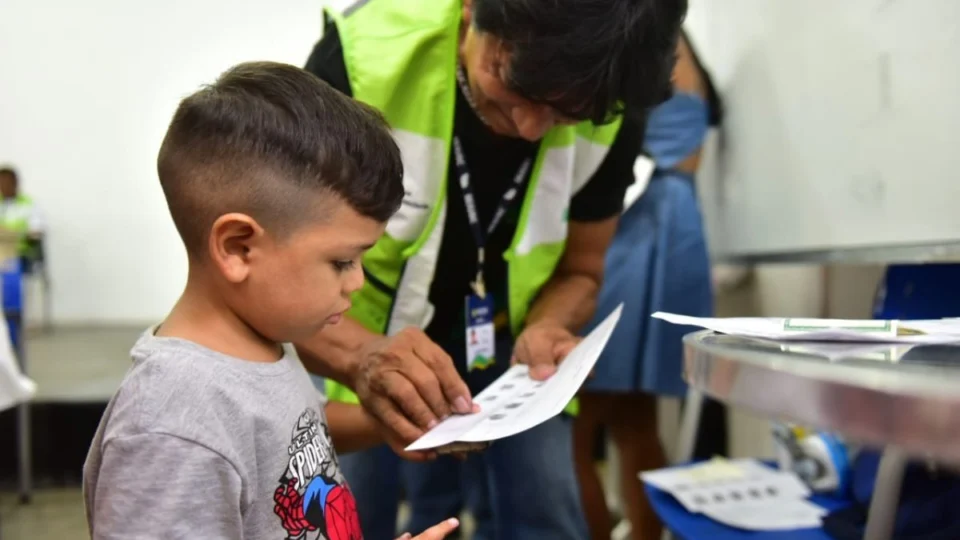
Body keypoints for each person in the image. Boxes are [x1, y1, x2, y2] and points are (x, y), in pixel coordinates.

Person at [296, 0, 687, 537]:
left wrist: (551, 324)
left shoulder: (611, 97)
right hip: (356, 329)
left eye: (563, 112)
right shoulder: (361, 60)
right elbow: (287, 274)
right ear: (471, 10)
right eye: (511, 84)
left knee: (546, 502)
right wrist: (361, 357)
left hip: (513, 345)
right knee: (344, 506)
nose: (530, 128)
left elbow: (582, 270)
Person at [83, 61, 459, 540]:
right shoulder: (170, 427)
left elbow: (284, 438)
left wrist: (389, 423)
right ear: (239, 247)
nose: (357, 282)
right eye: (342, 262)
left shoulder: (261, 345)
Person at [573, 30, 727, 540]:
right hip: (676, 226)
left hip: (636, 227)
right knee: (635, 416)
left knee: (578, 417)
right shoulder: (680, 49)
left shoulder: (648, 39)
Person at [0, 166, 45, 267]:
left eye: (7, 183)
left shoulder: (29, 204)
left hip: (21, 254)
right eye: (1, 183)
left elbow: (36, 231)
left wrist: (15, 235)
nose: (4, 187)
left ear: (15, 183)